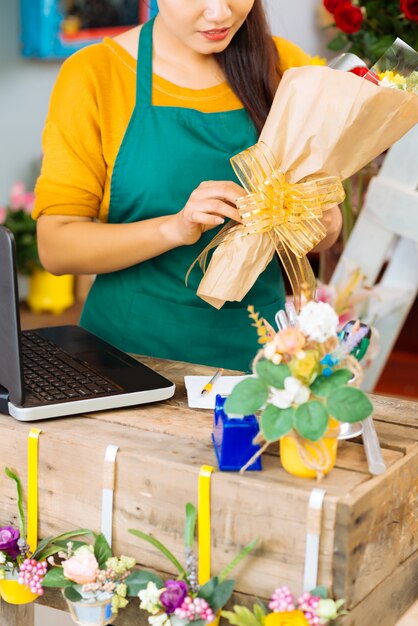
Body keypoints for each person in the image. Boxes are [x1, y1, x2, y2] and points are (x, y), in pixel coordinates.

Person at [33, 0, 342, 371]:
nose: (219, 13)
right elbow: (56, 246)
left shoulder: (288, 69)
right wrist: (174, 228)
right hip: (127, 360)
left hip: (261, 362)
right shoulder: (96, 75)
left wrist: (319, 218)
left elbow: (325, 233)